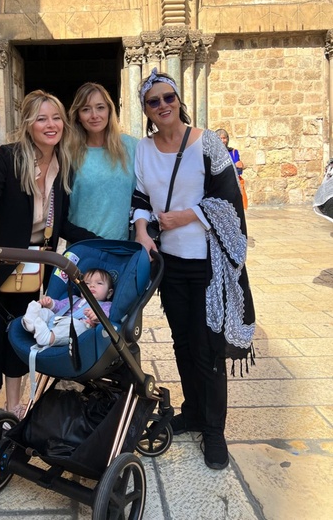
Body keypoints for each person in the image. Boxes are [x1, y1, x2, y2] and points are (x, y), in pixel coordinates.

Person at [131, 68, 255, 471]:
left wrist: (185, 216)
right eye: (154, 101)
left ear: (178, 100)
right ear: (146, 109)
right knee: (182, 343)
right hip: (170, 263)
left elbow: (228, 199)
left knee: (208, 349)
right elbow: (139, 198)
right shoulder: (143, 149)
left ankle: (214, 429)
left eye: (168, 98)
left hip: (206, 264)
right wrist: (141, 231)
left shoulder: (207, 144)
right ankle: (194, 411)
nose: (163, 105)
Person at [0, 90, 97, 415]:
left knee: (20, 326)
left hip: (35, 263)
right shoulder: (8, 158)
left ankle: (13, 401)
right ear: (28, 124)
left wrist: (98, 241)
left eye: (56, 118)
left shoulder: (64, 166)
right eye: (42, 118)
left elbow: (60, 223)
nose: (51, 125)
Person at [67, 82, 138, 240]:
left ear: (109, 110)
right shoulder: (67, 153)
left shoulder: (132, 147)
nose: (94, 115)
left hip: (123, 248)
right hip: (83, 247)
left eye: (100, 107)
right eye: (86, 109)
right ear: (78, 116)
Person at [22, 268, 114, 346]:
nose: (92, 286)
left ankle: (48, 338)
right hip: (57, 320)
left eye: (99, 283)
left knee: (77, 326)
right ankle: (31, 324)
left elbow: (107, 316)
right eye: (86, 283)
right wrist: (50, 303)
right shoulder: (74, 299)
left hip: (78, 327)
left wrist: (97, 317)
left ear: (109, 293)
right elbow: (59, 307)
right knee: (45, 312)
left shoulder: (106, 305)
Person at [216, 128, 248, 209]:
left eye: (224, 138)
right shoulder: (212, 154)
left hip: (232, 186)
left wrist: (241, 165)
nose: (223, 141)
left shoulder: (233, 152)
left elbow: (239, 169)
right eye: (220, 138)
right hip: (218, 187)